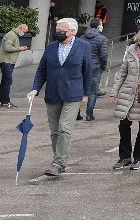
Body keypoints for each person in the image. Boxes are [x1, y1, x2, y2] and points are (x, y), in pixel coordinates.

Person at [26, 18, 94, 178]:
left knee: (64, 128)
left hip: (73, 93)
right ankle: (59, 160)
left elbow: (88, 70)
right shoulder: (51, 47)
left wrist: (86, 93)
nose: (58, 32)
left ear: (72, 31)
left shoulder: (83, 46)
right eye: (57, 29)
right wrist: (35, 89)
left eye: (61, 29)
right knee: (55, 131)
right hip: (52, 92)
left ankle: (58, 163)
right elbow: (42, 70)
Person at [109, 27, 140, 170]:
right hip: (127, 94)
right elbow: (122, 73)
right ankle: (124, 157)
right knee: (124, 125)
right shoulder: (131, 50)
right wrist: (114, 93)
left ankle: (138, 158)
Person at [79, 19, 109, 121]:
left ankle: (76, 113)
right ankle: (89, 114)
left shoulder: (82, 37)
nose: (102, 26)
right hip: (96, 67)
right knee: (93, 91)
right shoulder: (102, 38)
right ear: (98, 26)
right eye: (101, 24)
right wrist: (103, 66)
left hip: (81, 66)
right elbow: (104, 55)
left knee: (79, 89)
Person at [0, 23, 29, 109]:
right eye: (24, 31)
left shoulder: (13, 35)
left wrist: (19, 48)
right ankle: (6, 102)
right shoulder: (11, 35)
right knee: (7, 81)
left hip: (8, 61)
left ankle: (3, 101)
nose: (24, 33)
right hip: (7, 61)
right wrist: (20, 48)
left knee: (5, 81)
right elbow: (7, 48)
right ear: (20, 28)